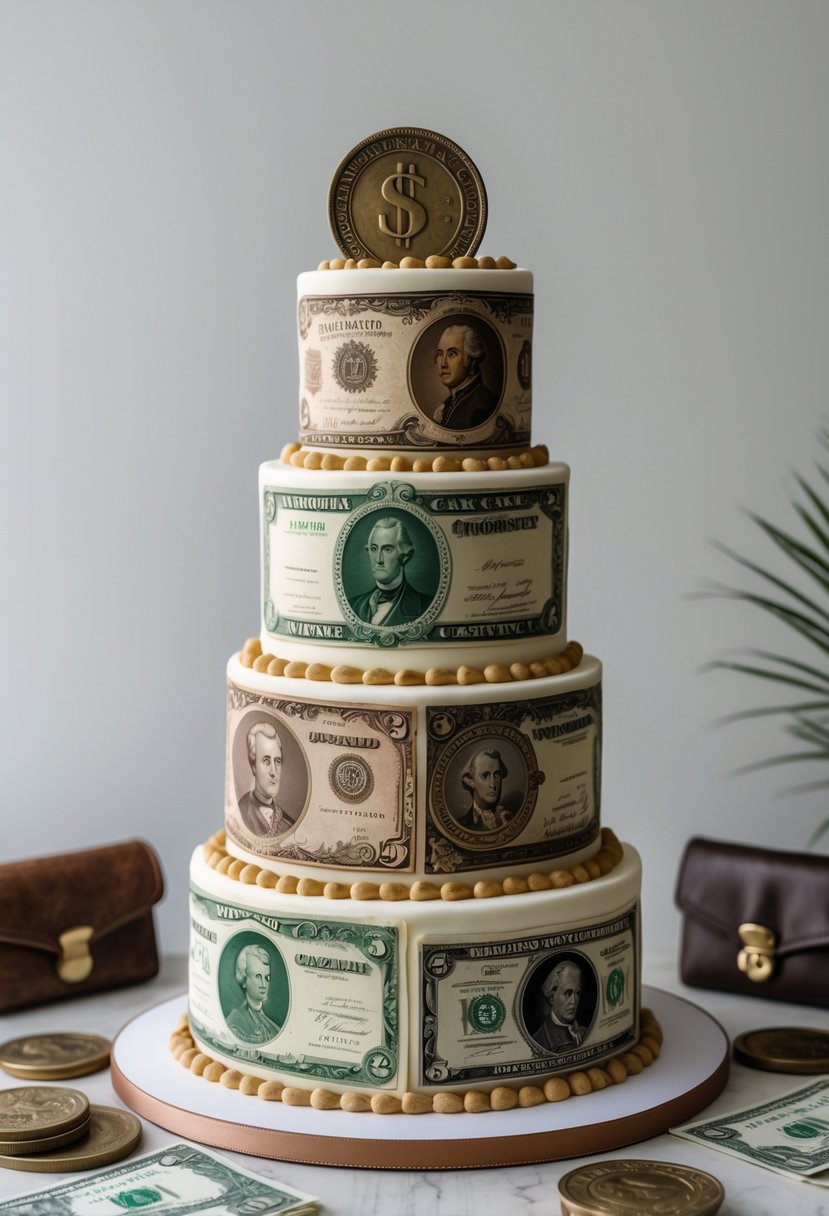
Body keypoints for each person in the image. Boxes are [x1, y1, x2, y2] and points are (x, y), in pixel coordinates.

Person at [349, 517, 432, 626]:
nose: (378, 559)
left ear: (405, 556)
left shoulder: (425, 606)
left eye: (387, 549)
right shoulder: (354, 605)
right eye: (374, 549)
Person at [432, 323, 499, 429]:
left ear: (470, 359)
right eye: (440, 354)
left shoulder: (482, 409)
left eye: (452, 354)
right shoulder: (449, 403)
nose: (443, 364)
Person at [237, 722, 294, 836]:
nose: (274, 772)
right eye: (266, 761)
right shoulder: (241, 811)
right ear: (253, 767)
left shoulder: (288, 823)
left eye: (277, 761)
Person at [226, 944, 281, 1043]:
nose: (264, 984)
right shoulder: (235, 1020)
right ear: (244, 980)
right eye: (258, 976)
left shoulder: (273, 1027)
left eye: (267, 977)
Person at [530, 959, 587, 1053]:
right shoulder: (541, 1040)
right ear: (552, 997)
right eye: (568, 993)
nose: (574, 1001)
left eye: (577, 993)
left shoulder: (582, 1031)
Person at [454, 748, 511, 832]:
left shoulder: (510, 817)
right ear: (470, 780)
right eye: (485, 776)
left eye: (497, 775)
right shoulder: (460, 824)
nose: (493, 784)